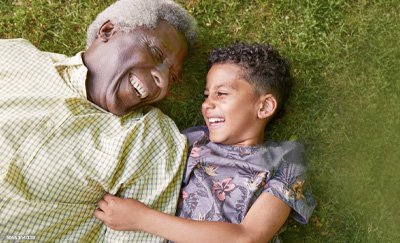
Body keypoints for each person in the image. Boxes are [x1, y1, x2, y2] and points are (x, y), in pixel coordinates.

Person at [0, 0, 197, 242]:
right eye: (156, 53)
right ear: (107, 31)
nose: (164, 82)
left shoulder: (147, 139)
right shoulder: (13, 56)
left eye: (173, 77)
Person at [94, 42, 316, 242]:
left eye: (221, 93)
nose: (207, 105)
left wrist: (141, 218)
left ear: (264, 107)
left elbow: (249, 237)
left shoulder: (286, 162)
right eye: (206, 95)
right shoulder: (192, 141)